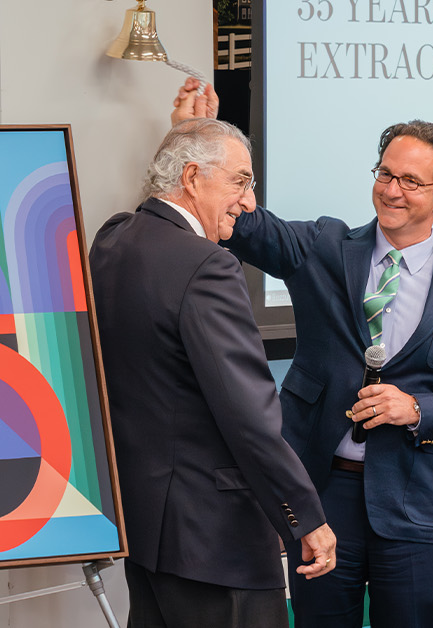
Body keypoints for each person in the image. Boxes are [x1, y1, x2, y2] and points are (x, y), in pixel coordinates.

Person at [174, 81, 433, 628]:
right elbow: (249, 227)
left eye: (410, 181)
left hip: (410, 504)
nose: (391, 190)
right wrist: (194, 137)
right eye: (384, 173)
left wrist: (418, 409)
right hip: (320, 495)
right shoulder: (327, 247)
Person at [89, 116, 337, 628]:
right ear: (193, 177)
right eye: (241, 182)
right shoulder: (208, 267)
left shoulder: (113, 239)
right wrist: (305, 517)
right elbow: (250, 416)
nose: (248, 203)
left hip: (143, 527)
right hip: (216, 540)